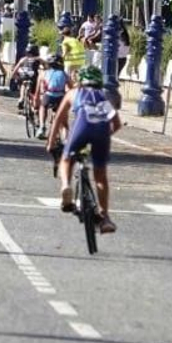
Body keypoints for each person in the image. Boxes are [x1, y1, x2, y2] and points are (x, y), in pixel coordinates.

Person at [47, 65, 122, 233]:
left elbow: (58, 118)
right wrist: (102, 138)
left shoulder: (74, 93)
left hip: (81, 128)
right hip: (101, 131)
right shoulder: (104, 97)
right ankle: (105, 218)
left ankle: (66, 185)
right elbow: (116, 124)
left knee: (66, 159)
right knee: (100, 175)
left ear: (81, 82)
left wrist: (51, 142)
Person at [37, 52, 70, 131]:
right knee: (58, 111)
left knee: (43, 107)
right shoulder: (64, 74)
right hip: (60, 95)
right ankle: (58, 130)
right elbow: (71, 86)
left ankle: (42, 126)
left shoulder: (44, 73)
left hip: (48, 94)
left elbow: (38, 89)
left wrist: (37, 97)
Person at [12, 43, 43, 110]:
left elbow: (15, 70)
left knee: (23, 83)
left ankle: (21, 98)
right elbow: (47, 66)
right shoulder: (38, 59)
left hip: (24, 76)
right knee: (34, 91)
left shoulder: (23, 59)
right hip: (34, 77)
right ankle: (33, 105)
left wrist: (15, 77)